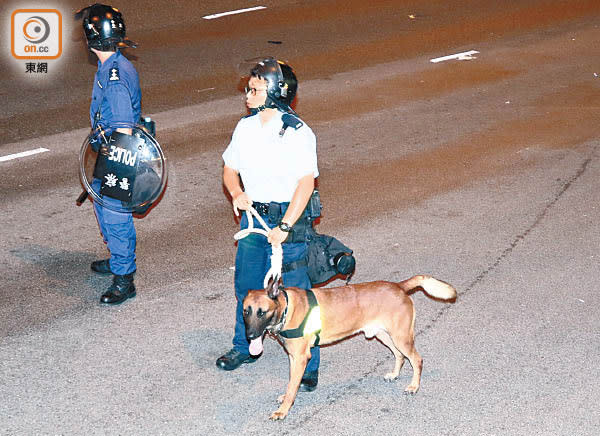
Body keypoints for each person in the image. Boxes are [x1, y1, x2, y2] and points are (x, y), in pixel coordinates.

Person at [217, 58, 321, 391]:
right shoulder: (245, 127)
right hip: (254, 219)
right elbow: (229, 170)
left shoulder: (298, 132)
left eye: (255, 89)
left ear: (276, 92)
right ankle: (242, 346)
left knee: (296, 292)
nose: (247, 94)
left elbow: (306, 184)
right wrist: (236, 193)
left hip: (286, 218)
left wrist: (287, 225)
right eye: (248, 88)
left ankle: (308, 362)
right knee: (247, 289)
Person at [77, 3, 141, 305]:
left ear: (90, 38)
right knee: (100, 202)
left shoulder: (114, 75)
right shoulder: (113, 63)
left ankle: (124, 278)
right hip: (109, 149)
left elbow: (124, 128)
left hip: (118, 152)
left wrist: (110, 161)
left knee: (115, 215)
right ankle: (117, 258)